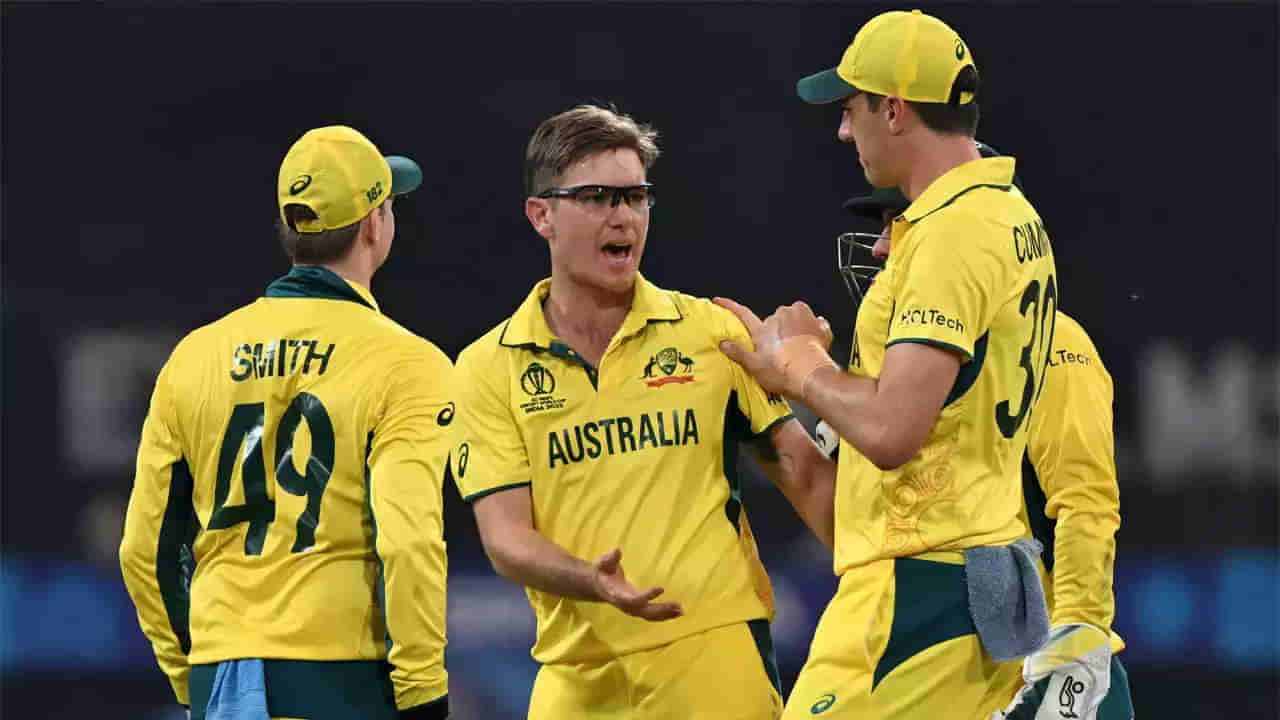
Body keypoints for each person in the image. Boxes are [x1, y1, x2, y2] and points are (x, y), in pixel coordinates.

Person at [716, 10, 1063, 718]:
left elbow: (891, 430)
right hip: (976, 573)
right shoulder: (1010, 210)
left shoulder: (950, 233)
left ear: (895, 110)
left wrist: (802, 364)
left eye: (852, 109)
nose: (844, 132)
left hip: (917, 594)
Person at [451, 104, 835, 720]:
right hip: (576, 672)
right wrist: (590, 579)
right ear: (541, 215)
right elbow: (506, 539)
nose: (623, 216)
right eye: (597, 197)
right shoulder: (487, 366)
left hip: (711, 654)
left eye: (635, 197)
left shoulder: (712, 333)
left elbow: (806, 476)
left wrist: (886, 575)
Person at [120, 126, 452, 720]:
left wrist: (189, 675)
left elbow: (143, 550)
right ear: (375, 224)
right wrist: (423, 687)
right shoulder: (408, 363)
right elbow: (408, 541)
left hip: (220, 672)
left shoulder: (194, 357)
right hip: (344, 680)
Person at [834, 147, 1134, 720]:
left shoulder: (1054, 341)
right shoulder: (914, 365)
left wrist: (1077, 640)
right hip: (958, 652)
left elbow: (1084, 501)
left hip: (1035, 670)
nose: (880, 247)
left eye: (900, 222)